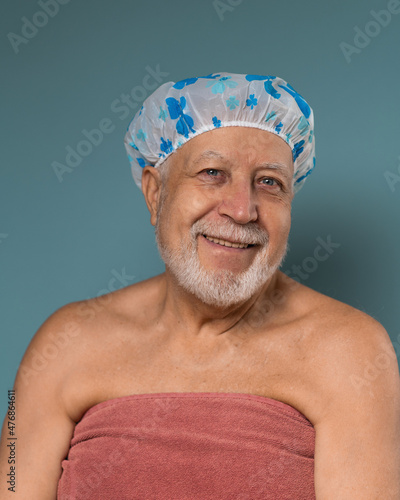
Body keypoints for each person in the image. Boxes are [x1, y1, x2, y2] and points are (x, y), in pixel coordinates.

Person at [1, 72, 399, 499]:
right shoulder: (63, 341)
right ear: (155, 194)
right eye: (212, 172)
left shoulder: (351, 350)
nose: (243, 210)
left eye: (269, 182)